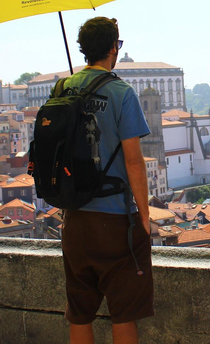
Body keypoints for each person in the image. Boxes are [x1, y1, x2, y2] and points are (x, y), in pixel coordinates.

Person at [60, 17, 153, 344]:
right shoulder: (120, 92)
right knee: (124, 314)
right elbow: (134, 161)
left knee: (80, 315)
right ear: (114, 47)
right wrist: (144, 215)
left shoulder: (64, 89)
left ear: (84, 49)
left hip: (74, 218)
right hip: (114, 221)